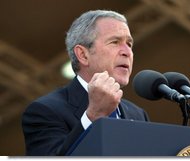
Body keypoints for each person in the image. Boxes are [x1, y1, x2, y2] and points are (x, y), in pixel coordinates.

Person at [22, 10, 149, 156]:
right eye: (115, 42)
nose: (127, 52)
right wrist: (94, 116)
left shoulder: (138, 114)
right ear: (83, 55)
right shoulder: (45, 111)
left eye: (129, 44)